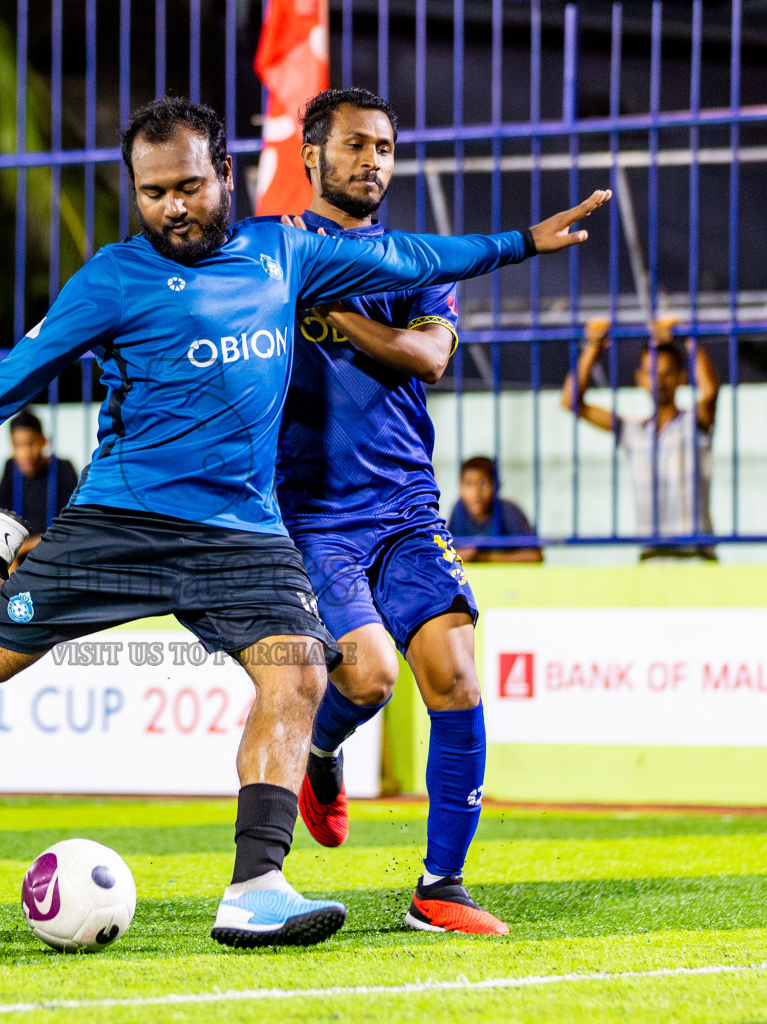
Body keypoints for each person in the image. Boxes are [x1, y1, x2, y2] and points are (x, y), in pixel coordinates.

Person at [0, 97, 607, 948]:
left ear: (226, 176)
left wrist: (520, 244)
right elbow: (13, 377)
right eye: (154, 192)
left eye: (189, 186)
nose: (173, 207)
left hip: (241, 531)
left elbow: (409, 253)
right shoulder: (111, 279)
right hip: (124, 518)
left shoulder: (283, 254)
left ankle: (257, 886)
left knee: (300, 674)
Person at [276, 87, 516, 939]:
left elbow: (429, 355)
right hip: (311, 511)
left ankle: (439, 888)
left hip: (408, 503)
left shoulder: (421, 260)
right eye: (354, 145)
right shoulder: (274, 255)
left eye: (383, 146)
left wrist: (336, 319)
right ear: (312, 157)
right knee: (370, 674)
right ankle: (320, 749)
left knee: (456, 674)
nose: (372, 159)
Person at [561, 317, 720, 559]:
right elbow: (571, 401)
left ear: (681, 378)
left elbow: (710, 391)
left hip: (696, 555)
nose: (659, 381)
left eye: (667, 374)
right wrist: (593, 347)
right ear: (640, 379)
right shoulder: (631, 430)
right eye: (651, 373)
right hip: (652, 556)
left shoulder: (693, 424)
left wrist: (688, 337)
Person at [0, 410, 79, 565]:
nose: (24, 453)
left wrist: (20, 549)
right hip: (19, 561)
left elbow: (68, 529)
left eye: (30, 443)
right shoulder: (10, 469)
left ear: (43, 441)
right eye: (17, 445)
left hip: (56, 559)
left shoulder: (62, 469)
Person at [447, 456, 542, 563]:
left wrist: (487, 558)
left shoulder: (508, 511)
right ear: (460, 487)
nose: (476, 492)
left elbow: (535, 556)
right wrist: (464, 554)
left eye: (483, 483)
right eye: (468, 484)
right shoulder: (458, 510)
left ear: (496, 485)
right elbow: (444, 553)